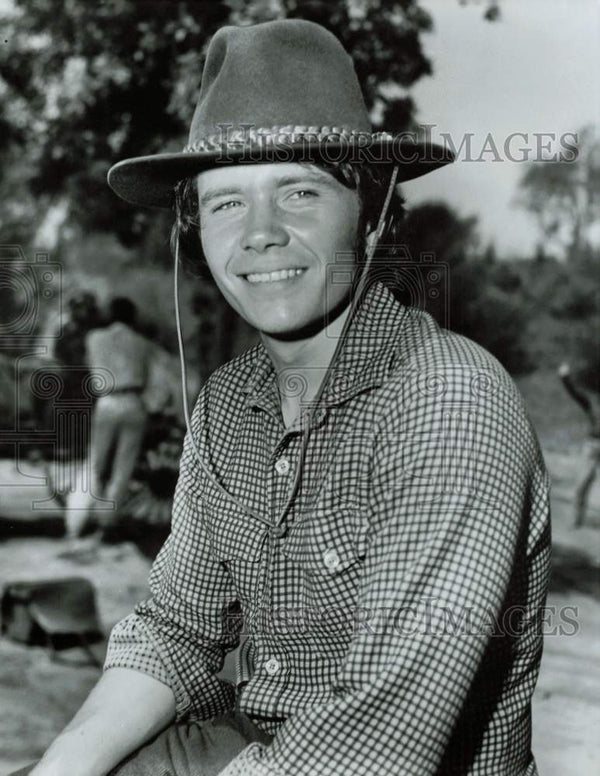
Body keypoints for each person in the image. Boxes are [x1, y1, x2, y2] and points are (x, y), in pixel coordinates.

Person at [21, 19, 551, 776]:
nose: (260, 234)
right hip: (251, 747)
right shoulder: (230, 403)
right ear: (192, 229)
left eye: (299, 191)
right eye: (226, 203)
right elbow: (176, 631)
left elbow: (380, 740)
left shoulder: (449, 400)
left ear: (371, 217)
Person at [64, 296, 154, 542]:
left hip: (107, 401)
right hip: (134, 401)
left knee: (95, 464)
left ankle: (76, 523)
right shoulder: (142, 343)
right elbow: (147, 377)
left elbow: (90, 367)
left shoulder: (94, 338)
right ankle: (107, 524)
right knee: (122, 468)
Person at [558, 361, 600, 527]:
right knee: (582, 484)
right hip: (592, 446)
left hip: (592, 447)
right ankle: (576, 520)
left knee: (584, 484)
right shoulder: (591, 403)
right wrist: (564, 377)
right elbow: (575, 393)